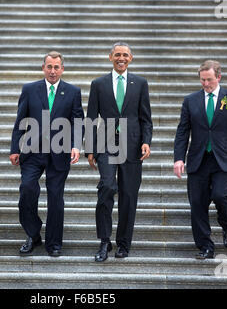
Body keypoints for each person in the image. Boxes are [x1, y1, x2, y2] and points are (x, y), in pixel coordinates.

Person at [10, 51, 84, 257]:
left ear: (62, 69)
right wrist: (15, 148)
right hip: (33, 152)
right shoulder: (30, 89)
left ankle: (54, 243)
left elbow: (78, 122)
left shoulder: (72, 92)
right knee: (26, 189)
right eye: (49, 67)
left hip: (59, 153)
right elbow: (20, 121)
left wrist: (76, 145)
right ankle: (33, 234)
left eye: (56, 67)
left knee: (55, 197)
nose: (53, 71)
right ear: (43, 67)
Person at [173, 60, 227, 259]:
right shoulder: (190, 100)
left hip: (224, 159)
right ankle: (206, 245)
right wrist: (179, 158)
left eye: (209, 80)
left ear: (219, 77)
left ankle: (226, 224)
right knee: (197, 203)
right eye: (202, 80)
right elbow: (182, 132)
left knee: (221, 196)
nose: (205, 84)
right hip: (198, 159)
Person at [85, 42, 153, 262]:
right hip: (106, 144)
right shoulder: (99, 84)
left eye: (125, 55)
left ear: (131, 58)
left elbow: (145, 118)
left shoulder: (140, 83)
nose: (121, 58)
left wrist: (146, 141)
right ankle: (104, 241)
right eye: (117, 55)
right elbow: (91, 118)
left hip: (132, 145)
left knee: (128, 194)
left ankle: (123, 243)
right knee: (106, 186)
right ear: (110, 57)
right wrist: (90, 150)